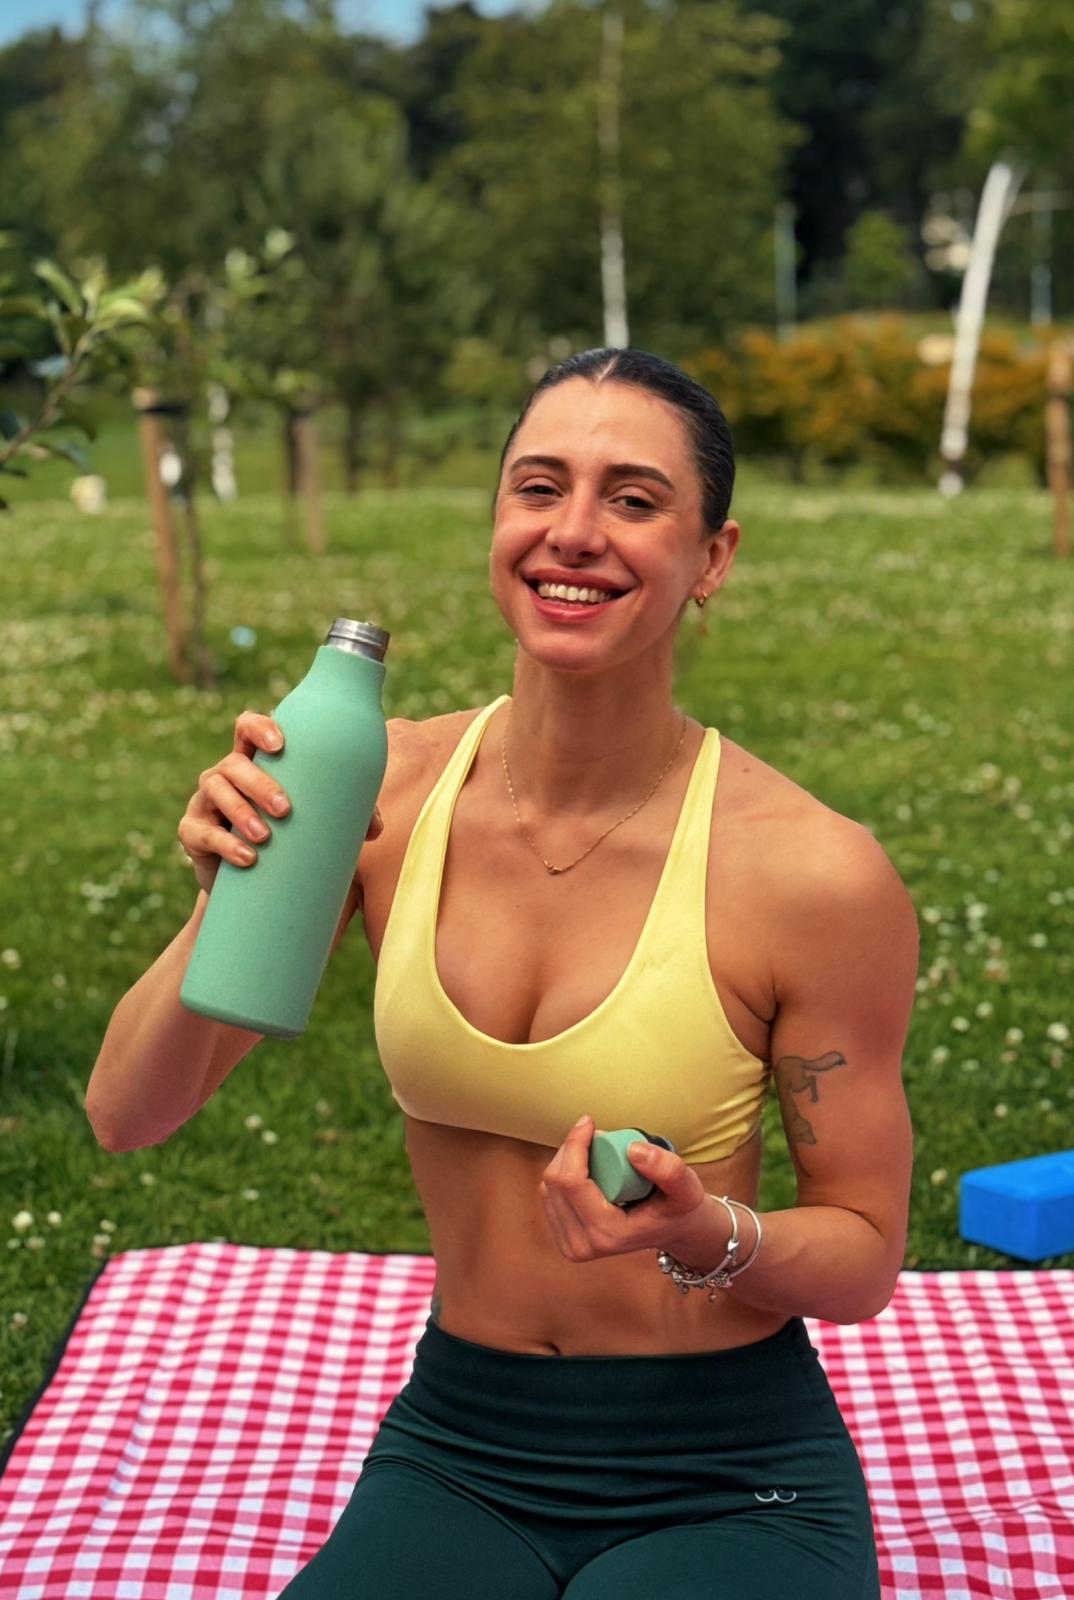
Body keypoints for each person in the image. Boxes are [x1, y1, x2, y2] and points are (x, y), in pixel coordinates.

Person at [87, 348, 917, 1599]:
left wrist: (708, 1234)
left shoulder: (809, 875)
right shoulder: (379, 791)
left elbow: (861, 1255)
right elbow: (127, 1114)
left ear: (714, 558)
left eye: (633, 500)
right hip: (460, 1444)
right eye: (539, 487)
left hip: (731, 1464)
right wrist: (229, 894)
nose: (573, 534)